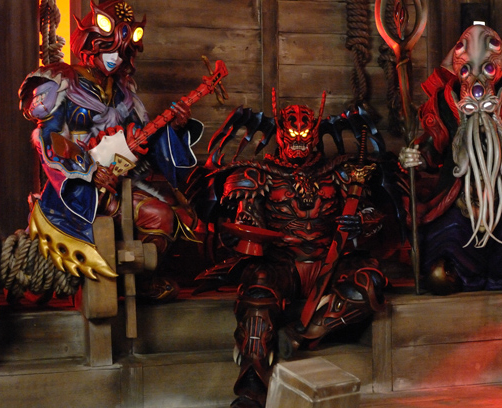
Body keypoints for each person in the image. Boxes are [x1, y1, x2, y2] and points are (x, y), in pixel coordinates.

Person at [201, 92, 388, 408]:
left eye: (305, 136)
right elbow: (243, 227)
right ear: (280, 135)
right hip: (282, 264)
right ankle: (251, 389)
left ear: (314, 136)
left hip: (330, 260)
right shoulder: (255, 175)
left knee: (370, 280)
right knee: (258, 288)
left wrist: (361, 222)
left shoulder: (341, 172)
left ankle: (302, 333)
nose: (299, 143)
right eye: (293, 135)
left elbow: (372, 214)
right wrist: (239, 233)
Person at [19, 0, 206, 300]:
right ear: (90, 44)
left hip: (117, 186)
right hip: (75, 189)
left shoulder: (123, 91)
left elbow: (143, 142)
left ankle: (138, 282)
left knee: (162, 215)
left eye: (122, 52)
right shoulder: (60, 80)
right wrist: (89, 171)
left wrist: (175, 126)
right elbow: (49, 138)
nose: (115, 59)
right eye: (109, 50)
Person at [398, 24, 502, 296]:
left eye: (487, 68)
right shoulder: (444, 104)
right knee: (443, 257)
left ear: (499, 67)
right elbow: (428, 150)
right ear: (456, 68)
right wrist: (413, 156)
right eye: (467, 70)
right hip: (459, 201)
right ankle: (453, 271)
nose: (477, 81)